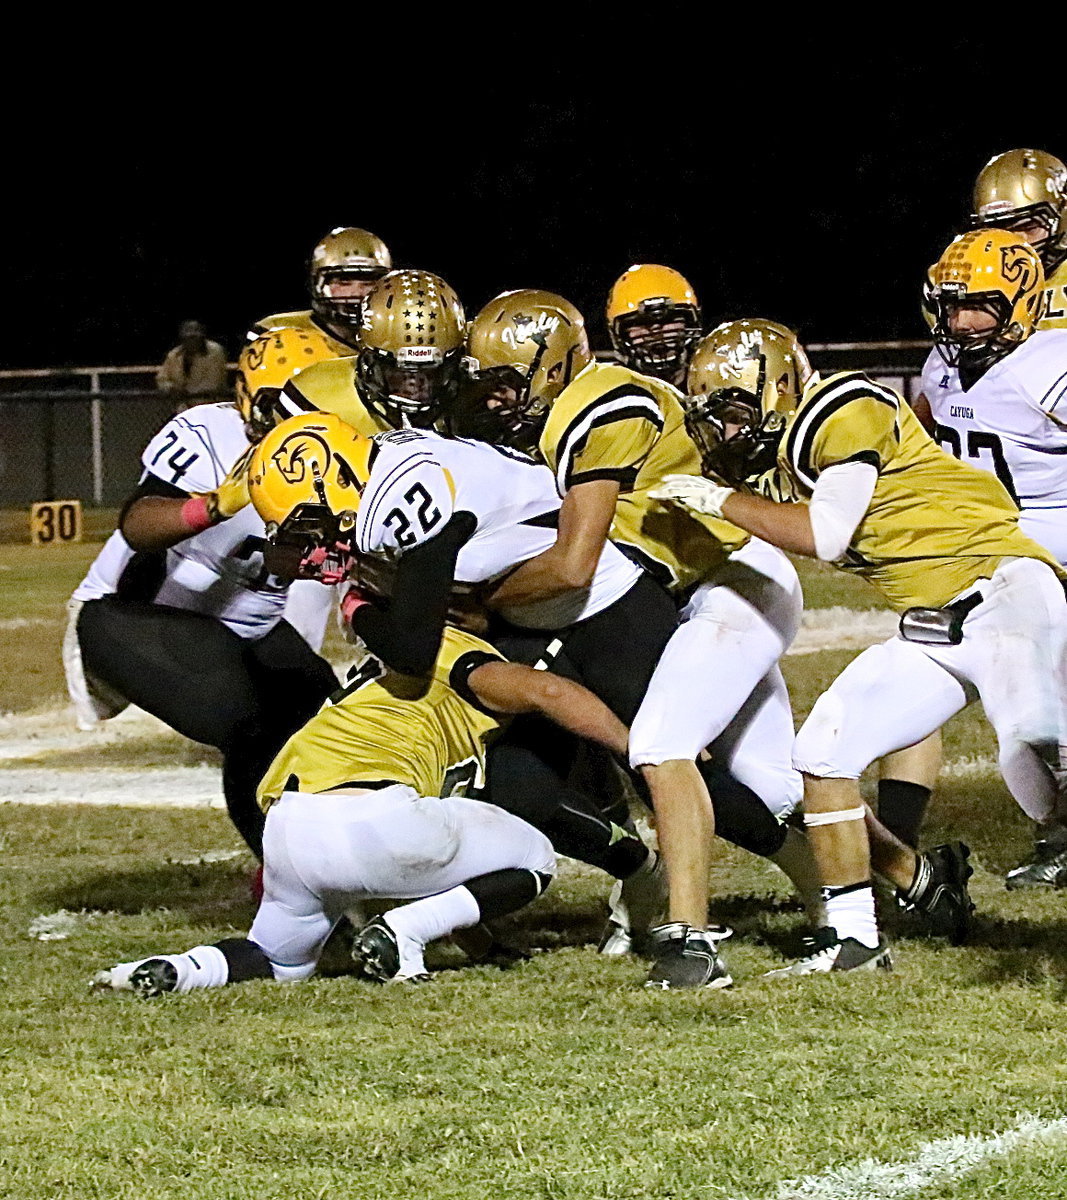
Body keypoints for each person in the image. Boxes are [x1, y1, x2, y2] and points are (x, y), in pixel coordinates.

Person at [656, 311, 1065, 975]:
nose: (726, 431)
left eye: (733, 412)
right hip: (934, 627)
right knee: (821, 754)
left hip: (1002, 593)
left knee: (1038, 758)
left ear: (778, 388)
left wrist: (716, 499)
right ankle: (854, 941)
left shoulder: (841, 405)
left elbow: (826, 533)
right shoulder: (783, 463)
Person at [463, 290, 818, 989]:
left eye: (508, 380)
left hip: (725, 576)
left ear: (554, 366)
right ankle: (905, 880)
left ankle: (691, 937)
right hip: (674, 587)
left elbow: (573, 563)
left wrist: (479, 603)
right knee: (767, 782)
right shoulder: (559, 409)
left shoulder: (601, 406)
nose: (497, 398)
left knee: (662, 747)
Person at [238, 411, 673, 943]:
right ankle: (636, 868)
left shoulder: (398, 496)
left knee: (685, 773)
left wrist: (357, 607)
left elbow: (414, 650)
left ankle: (688, 888)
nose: (316, 543)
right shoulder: (378, 478)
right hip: (514, 604)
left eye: (313, 523)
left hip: (587, 599)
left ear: (342, 480)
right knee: (515, 787)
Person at [93, 623, 632, 995]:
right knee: (534, 856)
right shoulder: (465, 658)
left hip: (289, 826)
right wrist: (639, 751)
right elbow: (548, 692)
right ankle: (404, 935)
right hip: (375, 815)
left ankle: (179, 970)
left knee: (279, 961)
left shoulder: (376, 674)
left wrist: (481, 944)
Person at [64, 369, 339, 858]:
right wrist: (211, 506)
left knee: (331, 718)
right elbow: (138, 524)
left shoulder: (334, 452)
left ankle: (328, 860)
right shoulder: (213, 433)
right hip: (137, 613)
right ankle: (283, 877)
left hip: (248, 624)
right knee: (251, 727)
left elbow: (278, 558)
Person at [916, 228, 1067, 887]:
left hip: (1053, 546)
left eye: (977, 305)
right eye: (950, 306)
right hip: (990, 554)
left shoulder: (1050, 365)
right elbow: (921, 435)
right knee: (1028, 706)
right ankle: (1057, 835)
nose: (960, 322)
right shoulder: (939, 364)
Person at [248, 226, 392, 354]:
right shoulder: (276, 332)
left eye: (368, 282)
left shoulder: (399, 334)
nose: (357, 292)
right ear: (320, 285)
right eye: (343, 282)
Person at [606, 264, 703, 388]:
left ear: (689, 322)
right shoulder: (608, 388)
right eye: (641, 323)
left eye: (668, 319)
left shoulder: (719, 371)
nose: (656, 330)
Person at [156, 320, 228, 408]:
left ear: (203, 334)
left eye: (195, 331)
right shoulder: (174, 355)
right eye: (188, 331)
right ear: (181, 336)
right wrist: (171, 388)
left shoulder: (215, 352)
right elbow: (161, 379)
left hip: (210, 406)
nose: (191, 335)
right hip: (181, 407)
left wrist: (187, 393)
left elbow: (214, 383)